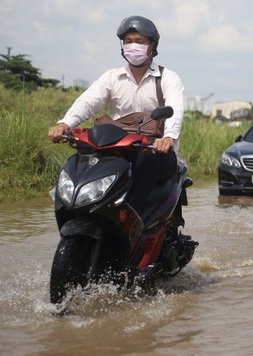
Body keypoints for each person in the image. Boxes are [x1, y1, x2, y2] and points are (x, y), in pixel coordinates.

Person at [48, 15, 184, 215]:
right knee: (82, 160)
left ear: (152, 45)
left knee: (147, 161)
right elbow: (88, 101)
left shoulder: (168, 78)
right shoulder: (111, 77)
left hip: (154, 151)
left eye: (139, 41)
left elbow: (175, 108)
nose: (133, 46)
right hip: (116, 148)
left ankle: (132, 217)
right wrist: (65, 124)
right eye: (128, 41)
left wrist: (168, 138)